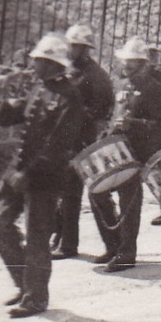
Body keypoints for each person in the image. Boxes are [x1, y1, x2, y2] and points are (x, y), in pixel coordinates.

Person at [0, 35, 85, 318]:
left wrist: (29, 172)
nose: (33, 64)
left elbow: (58, 144)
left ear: (53, 65)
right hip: (19, 172)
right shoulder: (39, 89)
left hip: (43, 176)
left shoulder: (70, 96)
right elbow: (10, 118)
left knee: (37, 237)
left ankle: (35, 298)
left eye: (39, 61)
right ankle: (24, 284)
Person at [105, 36, 161, 271]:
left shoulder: (155, 88)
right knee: (128, 201)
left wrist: (132, 123)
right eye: (125, 60)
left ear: (143, 64)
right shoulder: (121, 84)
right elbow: (115, 115)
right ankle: (125, 252)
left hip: (151, 150)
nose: (127, 65)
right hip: (127, 150)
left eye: (133, 61)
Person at [53, 24, 116, 261]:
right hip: (66, 139)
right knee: (67, 194)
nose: (70, 50)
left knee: (98, 193)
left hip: (86, 140)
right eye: (69, 45)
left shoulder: (96, 76)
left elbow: (102, 109)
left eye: (75, 47)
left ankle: (115, 245)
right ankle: (66, 243)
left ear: (85, 49)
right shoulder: (68, 70)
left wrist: (76, 116)